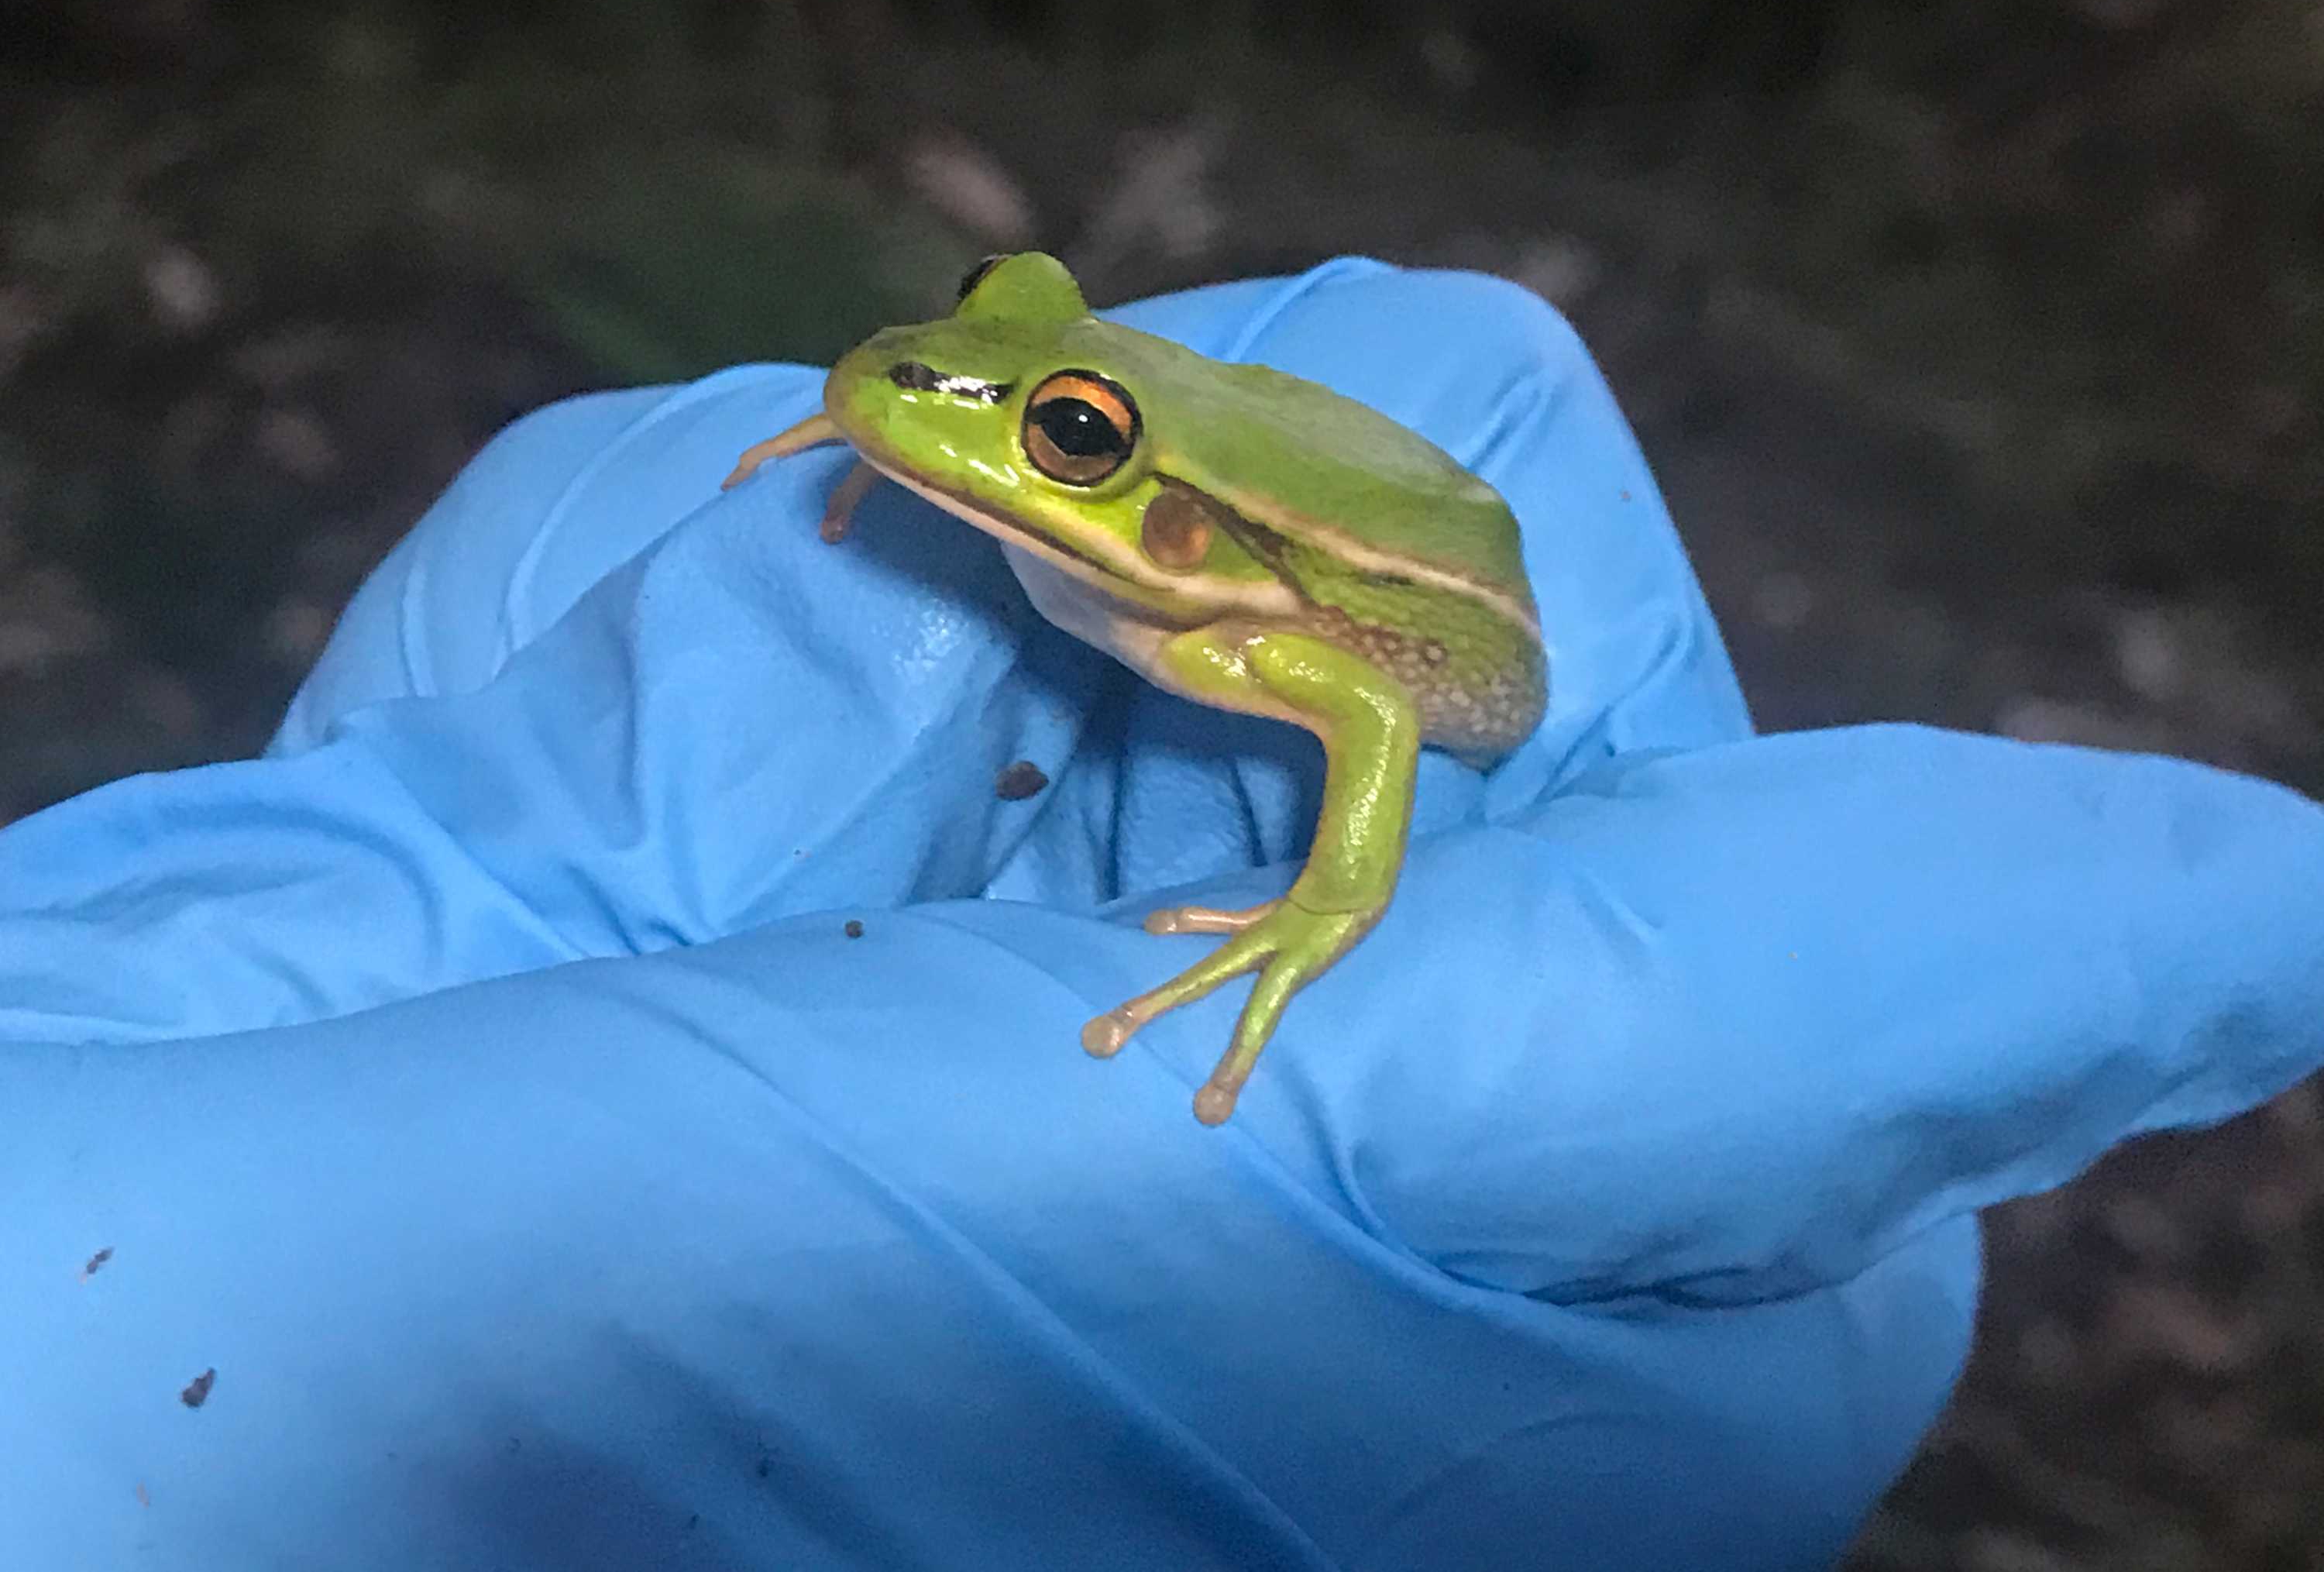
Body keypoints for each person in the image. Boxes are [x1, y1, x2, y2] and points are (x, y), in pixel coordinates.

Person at [2, 258, 2317, 1570]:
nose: (982, 391)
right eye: (1020, 361)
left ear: (1162, 508)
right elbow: (957, 379)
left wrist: (1318, 915)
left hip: (1398, 624)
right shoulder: (1025, 462)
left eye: (1074, 437)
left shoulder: (1260, 631)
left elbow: (1386, 711)